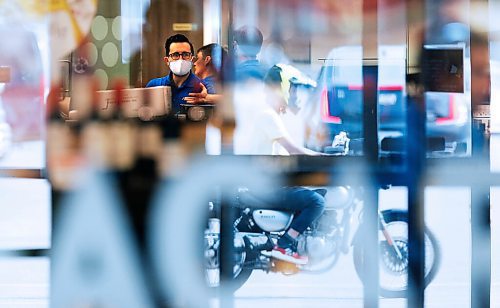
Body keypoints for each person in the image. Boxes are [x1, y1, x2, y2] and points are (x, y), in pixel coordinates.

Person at [146, 34, 205, 113]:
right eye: (175, 55)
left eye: (185, 55)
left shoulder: (202, 87)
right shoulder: (154, 86)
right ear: (167, 61)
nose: (181, 59)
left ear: (192, 59)